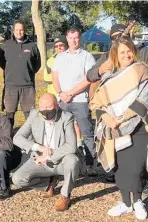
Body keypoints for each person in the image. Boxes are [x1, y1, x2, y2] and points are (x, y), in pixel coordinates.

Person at [89, 36, 148, 220]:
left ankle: (137, 200)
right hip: (113, 128)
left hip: (138, 127)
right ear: (115, 54)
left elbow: (144, 99)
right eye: (122, 52)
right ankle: (125, 203)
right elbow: (96, 103)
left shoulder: (141, 70)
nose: (126, 54)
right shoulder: (108, 76)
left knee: (135, 168)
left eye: (129, 50)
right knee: (119, 168)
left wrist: (123, 118)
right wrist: (105, 117)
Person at [12, 93, 81, 212]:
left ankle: (65, 195)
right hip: (39, 159)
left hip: (61, 160)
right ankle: (49, 183)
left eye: (49, 107)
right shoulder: (34, 115)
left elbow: (71, 146)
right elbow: (17, 138)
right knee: (17, 179)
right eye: (42, 108)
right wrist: (38, 147)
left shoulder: (67, 117)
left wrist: (49, 156)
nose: (45, 111)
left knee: (72, 160)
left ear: (57, 106)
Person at [51, 28, 96, 173]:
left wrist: (71, 93)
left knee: (87, 132)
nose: (74, 40)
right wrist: (60, 93)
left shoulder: (87, 56)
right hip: (63, 100)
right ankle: (61, 163)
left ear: (80, 38)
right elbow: (55, 77)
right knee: (61, 132)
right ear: (67, 39)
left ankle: (90, 165)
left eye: (76, 38)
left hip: (80, 100)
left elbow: (88, 79)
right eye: (71, 38)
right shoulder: (60, 57)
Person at [0, 21, 41, 128]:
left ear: (24, 31)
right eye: (17, 30)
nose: (19, 32)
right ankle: (8, 138)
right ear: (13, 31)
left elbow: (37, 64)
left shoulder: (32, 46)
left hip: (27, 86)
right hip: (10, 86)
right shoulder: (6, 46)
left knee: (29, 114)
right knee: (9, 114)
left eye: (21, 29)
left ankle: (30, 137)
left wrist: (27, 73)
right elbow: (3, 63)